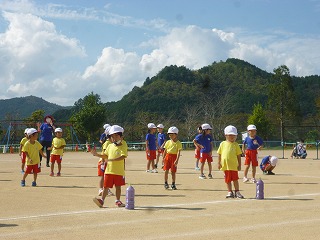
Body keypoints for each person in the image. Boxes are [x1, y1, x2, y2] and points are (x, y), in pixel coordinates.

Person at [92, 125, 128, 208]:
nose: (114, 138)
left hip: (119, 170)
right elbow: (105, 155)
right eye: (112, 136)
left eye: (116, 136)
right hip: (109, 170)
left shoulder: (124, 144)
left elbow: (123, 156)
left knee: (118, 187)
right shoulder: (110, 146)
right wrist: (97, 154)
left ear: (121, 136)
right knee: (106, 186)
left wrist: (112, 160)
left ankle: (117, 200)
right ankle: (102, 200)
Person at [217, 125, 244, 199]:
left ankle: (237, 191)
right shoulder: (222, 144)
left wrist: (239, 165)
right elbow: (219, 154)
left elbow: (239, 155)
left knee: (235, 179)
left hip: (233, 166)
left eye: (234, 135)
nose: (232, 137)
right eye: (230, 135)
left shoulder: (236, 145)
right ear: (226, 135)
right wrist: (219, 163)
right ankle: (229, 191)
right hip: (226, 166)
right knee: (228, 179)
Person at [97, 126, 114, 197]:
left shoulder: (111, 143)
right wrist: (103, 163)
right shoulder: (107, 143)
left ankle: (106, 189)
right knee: (103, 176)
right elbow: (104, 153)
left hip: (107, 162)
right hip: (103, 161)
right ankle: (101, 189)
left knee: (106, 177)